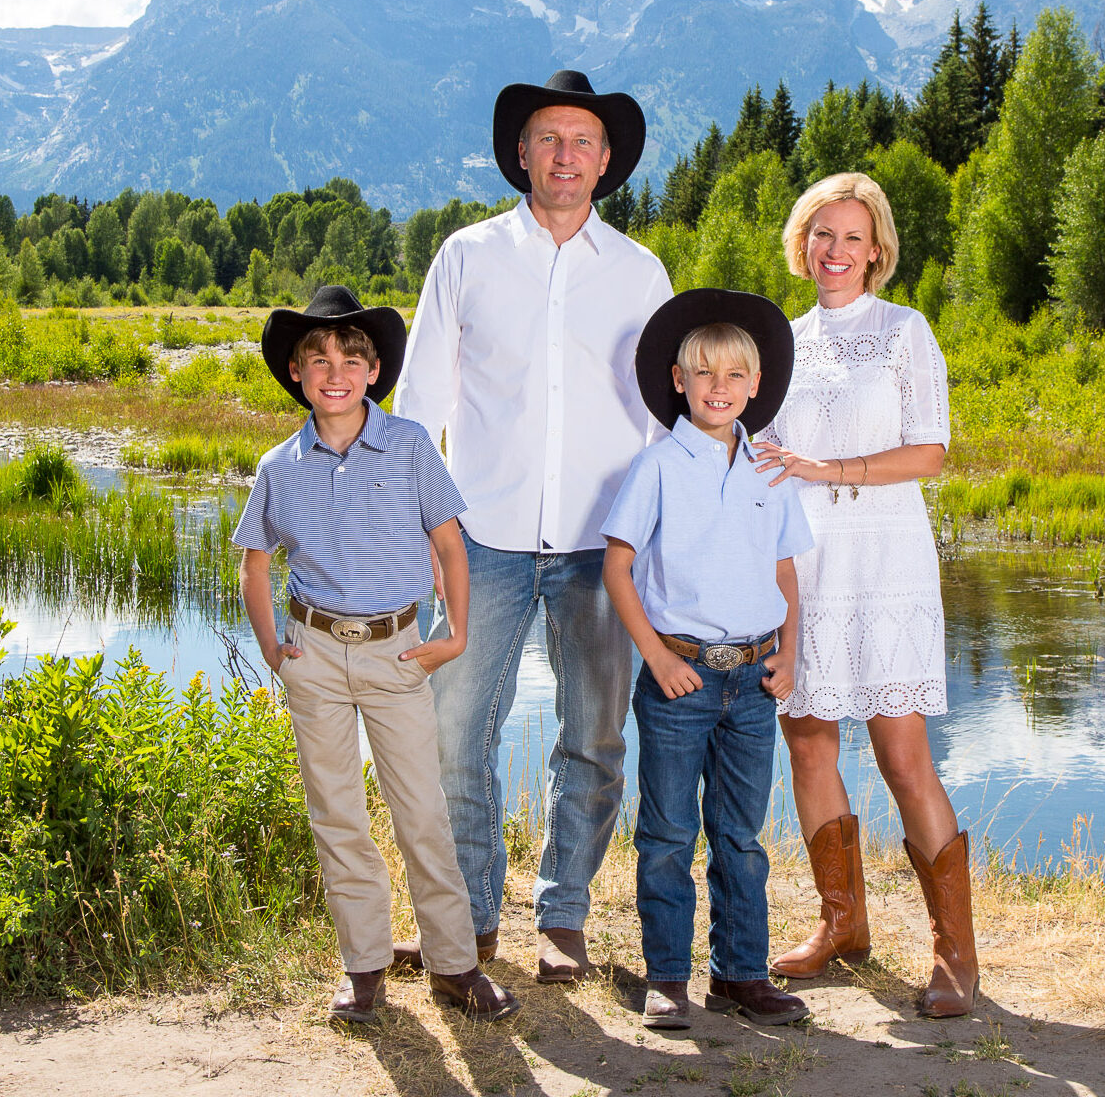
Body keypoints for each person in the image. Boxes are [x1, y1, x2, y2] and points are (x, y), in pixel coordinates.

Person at [393, 71, 674, 982]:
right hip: (482, 539)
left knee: (593, 737)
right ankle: (472, 918)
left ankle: (563, 915)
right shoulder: (467, 257)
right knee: (451, 734)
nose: (565, 156)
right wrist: (426, 536)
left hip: (604, 547)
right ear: (521, 151)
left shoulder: (640, 273)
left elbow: (668, 419)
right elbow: (422, 402)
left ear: (606, 162)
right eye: (549, 139)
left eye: (583, 142)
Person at [234, 285, 518, 1024]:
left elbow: (450, 544)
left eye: (350, 357)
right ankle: (363, 967)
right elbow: (254, 561)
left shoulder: (412, 444)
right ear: (297, 373)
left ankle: (454, 965)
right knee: (338, 814)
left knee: (421, 811)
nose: (335, 370)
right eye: (318, 358)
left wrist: (451, 635)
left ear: (372, 371)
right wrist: (273, 648)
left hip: (398, 654)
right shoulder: (280, 464)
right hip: (316, 656)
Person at [754, 173, 978, 1018]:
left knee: (901, 756)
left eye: (851, 237)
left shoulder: (904, 333)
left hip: (886, 563)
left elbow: (930, 452)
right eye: (820, 234)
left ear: (877, 249)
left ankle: (955, 955)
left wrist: (829, 470)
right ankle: (843, 926)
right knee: (808, 744)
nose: (834, 251)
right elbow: (759, 453)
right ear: (801, 244)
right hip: (804, 569)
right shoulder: (781, 340)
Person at [602, 288, 813, 1030]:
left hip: (754, 680)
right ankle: (667, 979)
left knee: (741, 837)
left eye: (733, 377)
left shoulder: (771, 470)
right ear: (677, 382)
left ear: (756, 385)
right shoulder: (658, 467)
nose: (718, 389)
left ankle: (741, 975)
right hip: (681, 679)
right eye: (703, 375)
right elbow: (618, 568)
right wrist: (655, 658)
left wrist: (791, 655)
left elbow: (787, 572)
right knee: (665, 835)